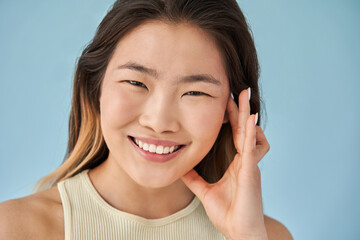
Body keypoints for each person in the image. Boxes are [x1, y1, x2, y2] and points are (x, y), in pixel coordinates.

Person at [0, 0, 293, 239]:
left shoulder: (267, 236)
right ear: (96, 87)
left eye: (194, 92)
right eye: (136, 83)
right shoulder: (16, 229)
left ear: (233, 110)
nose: (159, 121)